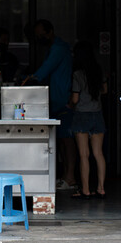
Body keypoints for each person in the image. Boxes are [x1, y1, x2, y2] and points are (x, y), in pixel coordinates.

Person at [30, 20, 78, 194]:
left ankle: (70, 177)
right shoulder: (56, 47)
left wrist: (29, 79)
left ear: (50, 31)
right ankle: (66, 176)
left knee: (67, 140)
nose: (38, 38)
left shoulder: (58, 48)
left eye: (40, 34)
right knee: (62, 141)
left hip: (62, 100)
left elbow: (43, 71)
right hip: (57, 100)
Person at [70, 40, 107, 198]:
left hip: (82, 115)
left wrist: (69, 104)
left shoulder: (77, 74)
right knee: (98, 153)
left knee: (84, 155)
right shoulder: (98, 70)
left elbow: (75, 99)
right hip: (97, 114)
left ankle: (85, 190)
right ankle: (100, 188)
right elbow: (104, 90)